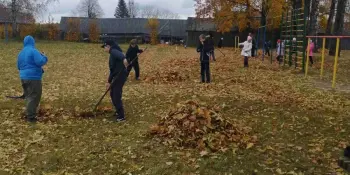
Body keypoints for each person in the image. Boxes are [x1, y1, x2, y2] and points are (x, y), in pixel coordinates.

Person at [17, 35, 48, 123]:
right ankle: (31, 118)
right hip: (33, 78)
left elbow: (18, 66)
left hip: (23, 77)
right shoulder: (34, 51)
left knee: (29, 96)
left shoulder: (21, 53)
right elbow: (40, 62)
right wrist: (44, 56)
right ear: (33, 42)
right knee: (34, 96)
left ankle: (30, 112)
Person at [102, 40, 129, 122]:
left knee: (116, 95)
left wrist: (124, 59)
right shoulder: (112, 53)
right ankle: (118, 111)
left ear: (108, 46)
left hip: (120, 76)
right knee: (112, 93)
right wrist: (109, 81)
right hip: (117, 76)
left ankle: (121, 116)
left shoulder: (113, 51)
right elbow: (112, 70)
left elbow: (121, 55)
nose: (104, 49)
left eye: (104, 47)